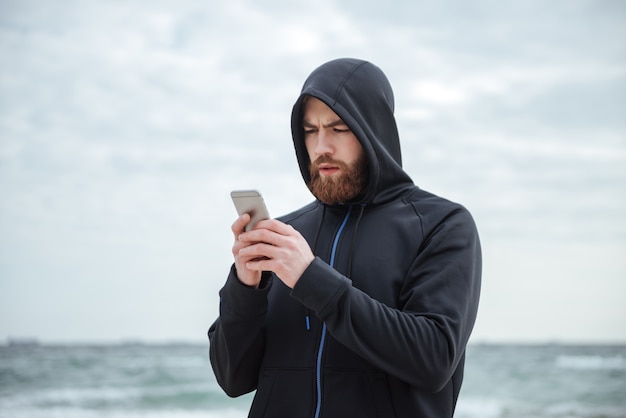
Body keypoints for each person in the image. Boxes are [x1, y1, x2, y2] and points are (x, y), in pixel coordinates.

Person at [208, 58, 482, 417]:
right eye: (310, 130)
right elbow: (233, 378)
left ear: (373, 129)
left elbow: (432, 359)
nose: (322, 146)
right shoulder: (287, 238)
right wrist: (246, 288)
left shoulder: (441, 225)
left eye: (338, 128)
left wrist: (311, 278)